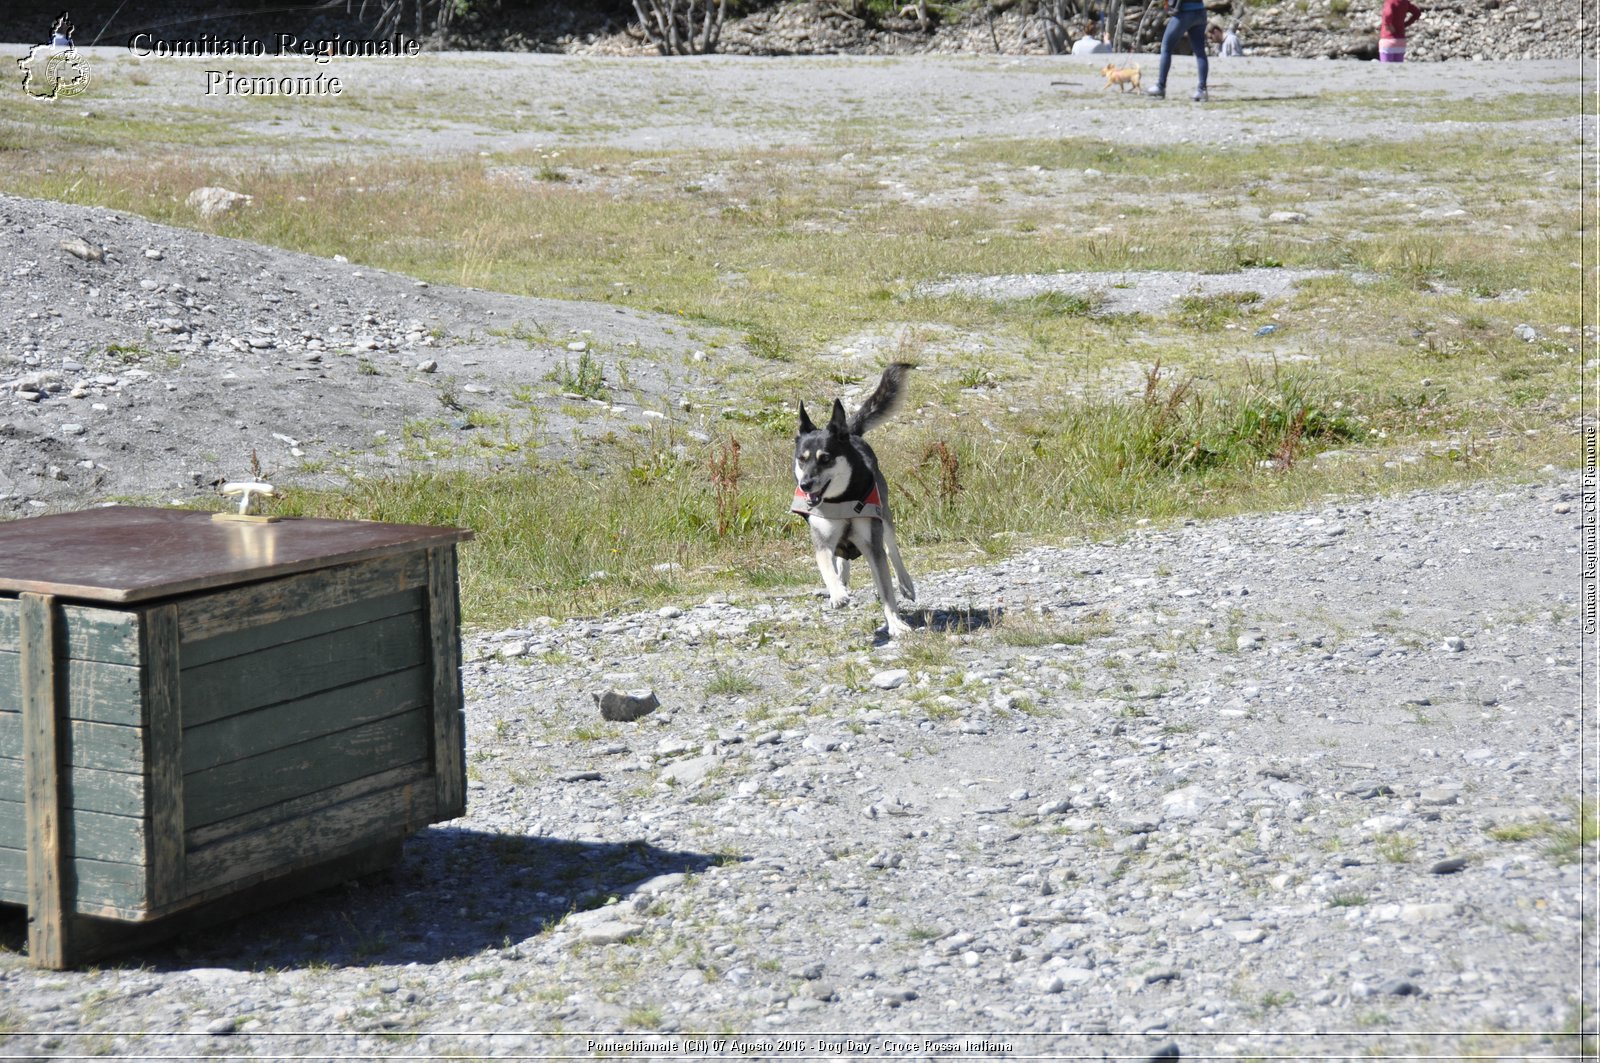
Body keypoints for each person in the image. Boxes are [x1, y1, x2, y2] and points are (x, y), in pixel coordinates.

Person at [1146, 0, 1209, 101]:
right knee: (1200, 52)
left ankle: (1160, 86)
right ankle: (1202, 90)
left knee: (1166, 48)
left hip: (1184, 13)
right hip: (1200, 12)